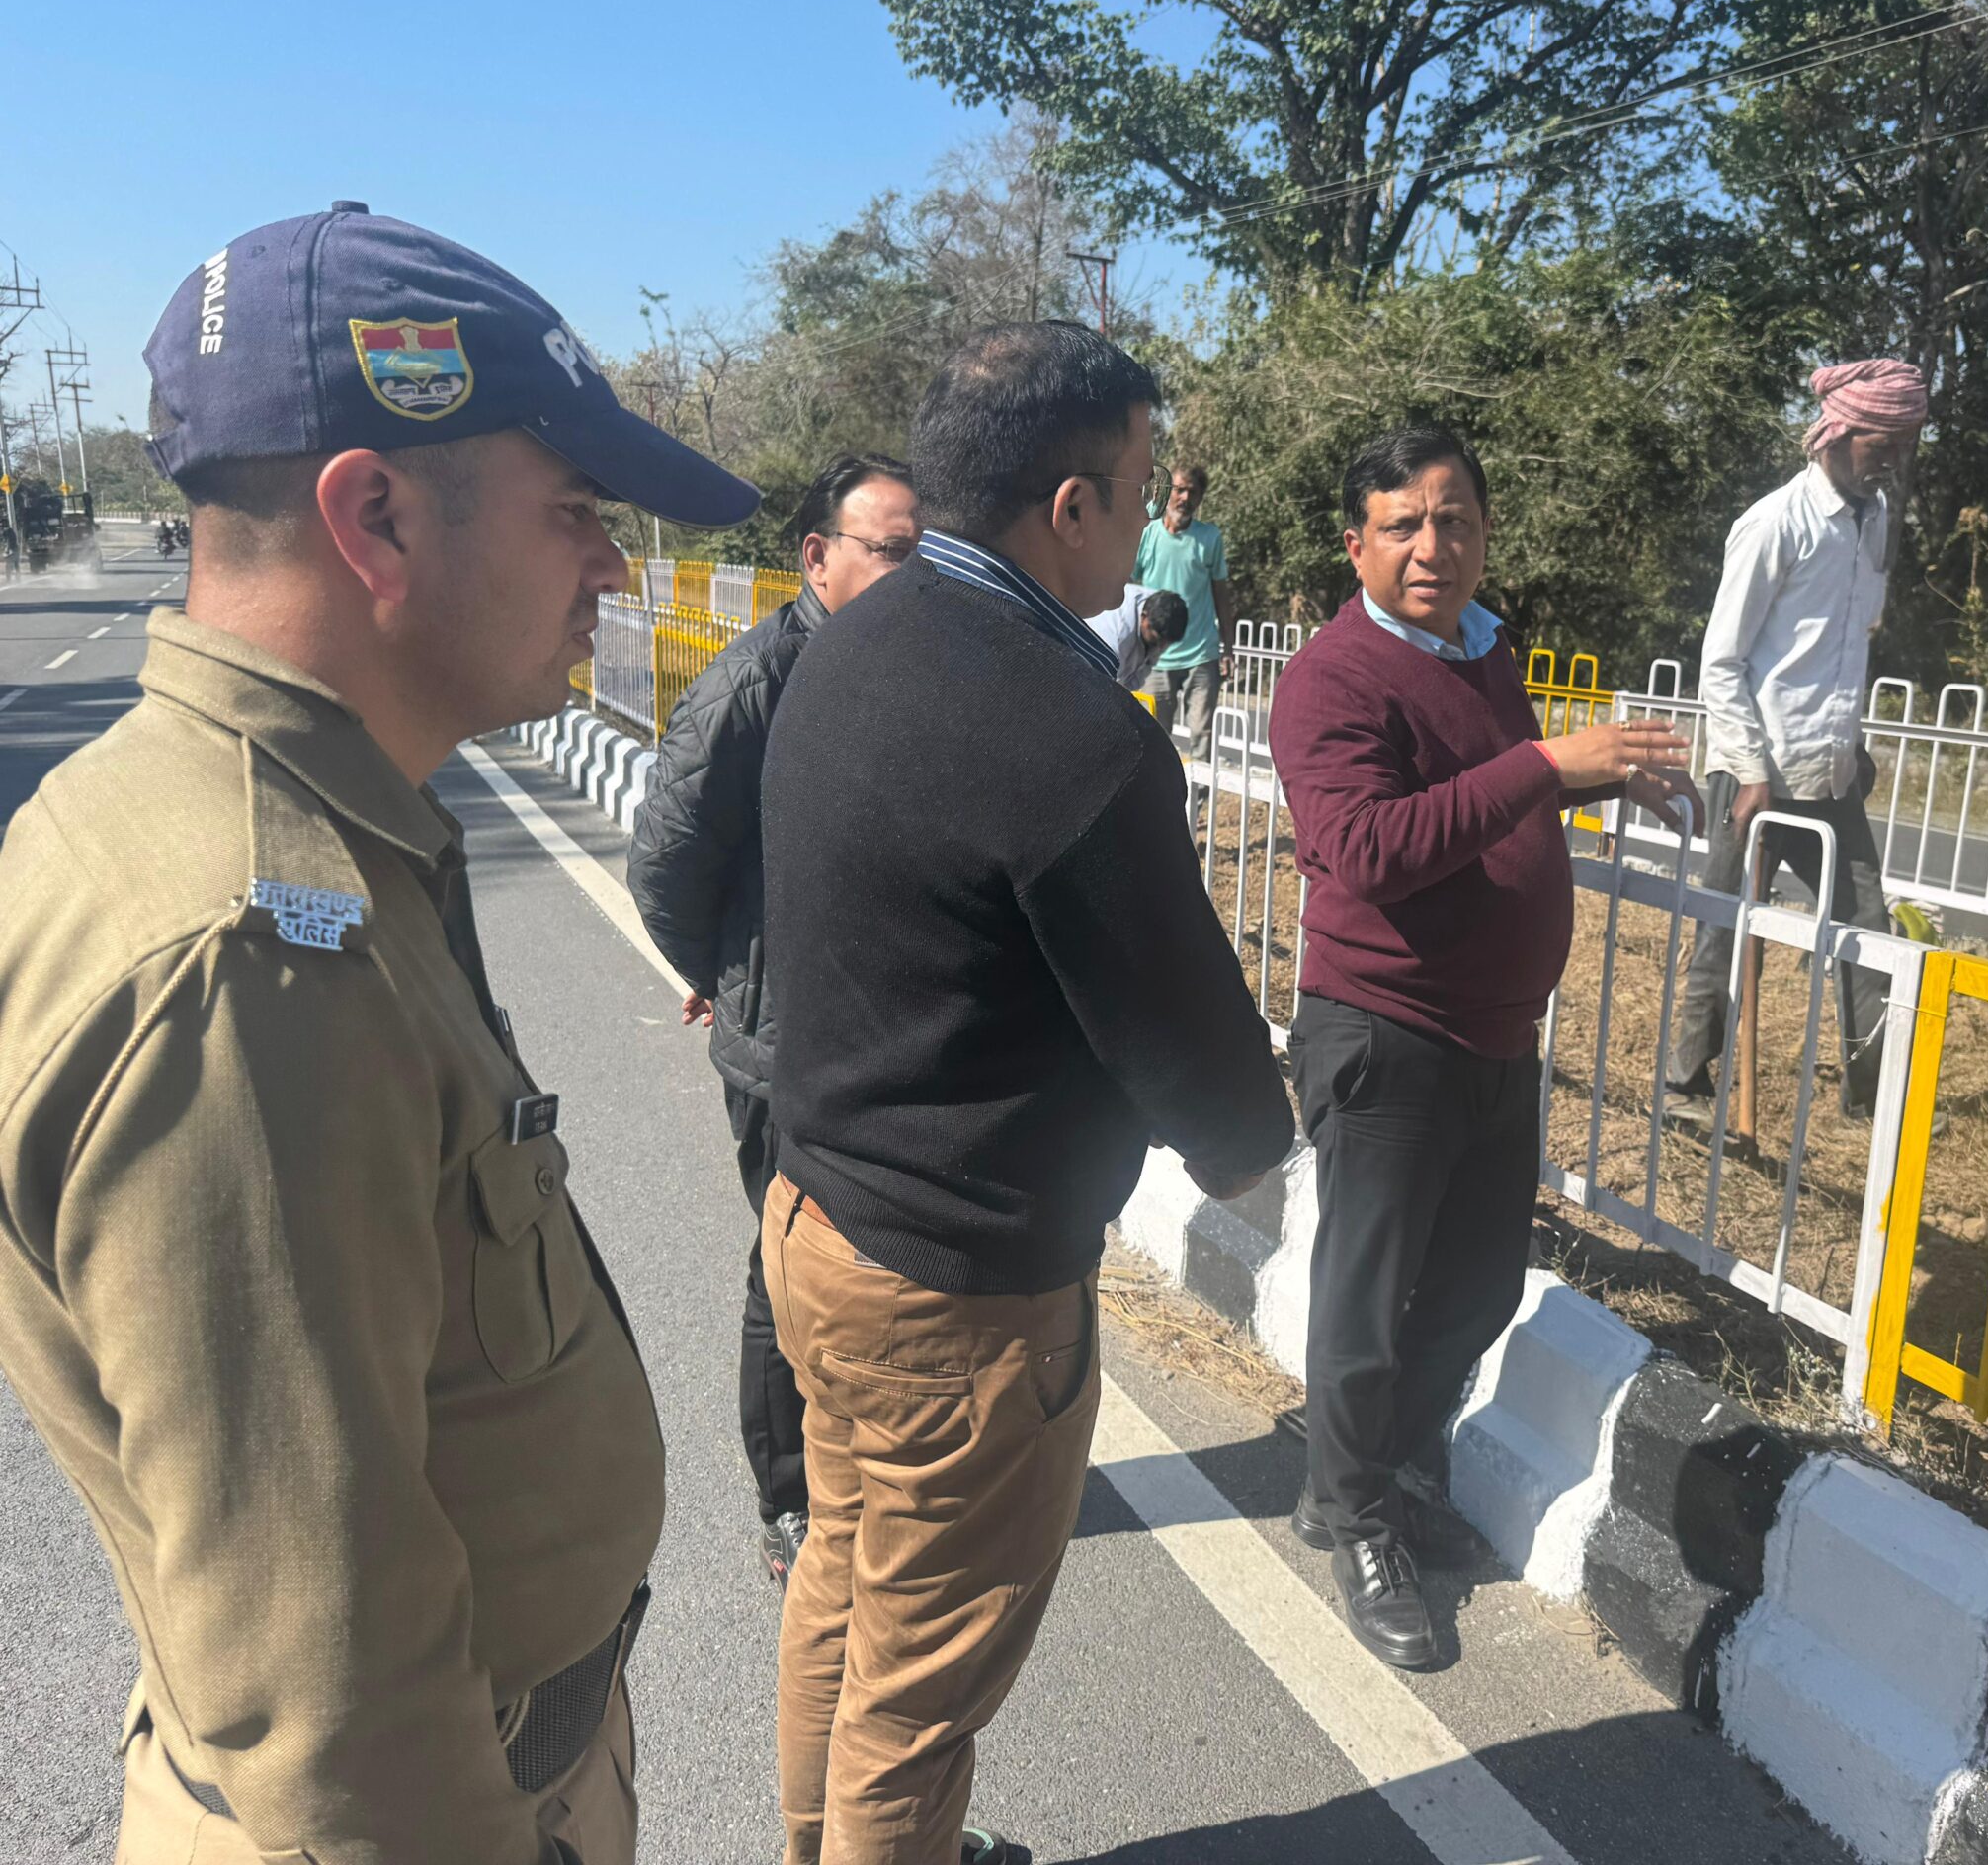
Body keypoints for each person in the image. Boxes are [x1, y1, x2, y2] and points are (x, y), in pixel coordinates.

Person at [0, 203, 758, 1863]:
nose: (616, 569)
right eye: (577, 512)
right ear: (377, 519)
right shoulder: (244, 962)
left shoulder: (277, 832)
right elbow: (331, 1703)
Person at [759, 322, 1293, 1865]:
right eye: (1138, 487)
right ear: (1072, 507)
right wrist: (1261, 1143)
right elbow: (1214, 1089)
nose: (1147, 527)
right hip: (961, 1294)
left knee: (843, 1589)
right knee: (917, 1703)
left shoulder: (851, 640)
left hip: (816, 1220)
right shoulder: (1073, 744)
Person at [1270, 425, 1695, 1670]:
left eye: (1452, 519)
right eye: (1401, 524)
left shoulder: (1481, 650)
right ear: (1355, 546)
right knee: (1368, 1304)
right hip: (1385, 1029)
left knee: (1475, 1291)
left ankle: (1369, 1475)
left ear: (1483, 534)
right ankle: (1353, 1517)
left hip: (1497, 1035)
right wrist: (1546, 763)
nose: (1430, 546)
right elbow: (1369, 849)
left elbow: (1486, 787)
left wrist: (1592, 778)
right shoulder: (1332, 678)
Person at [626, 449, 917, 1587]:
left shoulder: (913, 671)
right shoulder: (755, 683)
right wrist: (725, 972)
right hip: (786, 1044)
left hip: (887, 1034)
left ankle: (868, 1459)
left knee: (872, 1263)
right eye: (890, 552)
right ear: (817, 557)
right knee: (788, 1269)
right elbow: (665, 861)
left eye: (926, 555)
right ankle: (788, 1495)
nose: (912, 576)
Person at [1659, 359, 1927, 1135]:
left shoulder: (1874, 520)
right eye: (1881, 442)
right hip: (1756, 775)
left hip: (1829, 775)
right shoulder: (1775, 522)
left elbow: (1842, 649)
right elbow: (1723, 661)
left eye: (1903, 444)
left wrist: (1853, 742)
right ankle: (1684, 1083)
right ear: (1836, 434)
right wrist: (1749, 771)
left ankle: (1871, 1093)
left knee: (1867, 930)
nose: (1892, 459)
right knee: (1724, 925)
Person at [1136, 464, 1231, 821]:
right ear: (1166, 493)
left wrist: (1228, 647)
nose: (1184, 497)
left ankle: (1197, 810)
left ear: (1200, 497)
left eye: (1192, 491)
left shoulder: (1209, 538)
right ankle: (1162, 808)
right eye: (1178, 489)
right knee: (1155, 735)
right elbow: (1129, 588)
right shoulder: (1147, 535)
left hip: (1201, 653)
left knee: (1202, 733)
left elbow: (1222, 594)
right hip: (1156, 657)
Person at [1085, 580, 1190, 692]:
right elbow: (1105, 686)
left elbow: (1144, 669)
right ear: (1144, 618)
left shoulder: (1163, 611)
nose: (1162, 648)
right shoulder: (1117, 636)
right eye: (1158, 640)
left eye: (1167, 643)